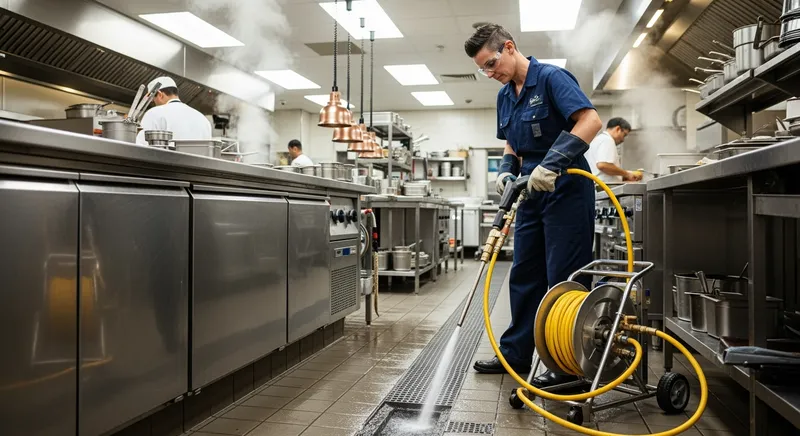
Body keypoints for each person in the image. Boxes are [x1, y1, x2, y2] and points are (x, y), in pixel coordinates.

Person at [465, 24, 603, 388]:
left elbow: (590, 121)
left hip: (567, 189)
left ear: (509, 47)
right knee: (524, 274)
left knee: (564, 275)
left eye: (492, 63)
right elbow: (512, 143)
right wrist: (508, 171)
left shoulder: (552, 78)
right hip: (530, 194)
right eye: (484, 69)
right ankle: (516, 354)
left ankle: (567, 363)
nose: (490, 73)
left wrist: (552, 163)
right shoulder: (504, 96)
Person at [135, 76, 212, 146]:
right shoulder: (203, 119)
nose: (154, 103)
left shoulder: (154, 113)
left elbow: (141, 148)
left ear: (159, 94)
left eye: (153, 100)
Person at [584, 118, 642, 183]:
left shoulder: (599, 139)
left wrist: (624, 176)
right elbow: (603, 165)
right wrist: (627, 174)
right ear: (618, 129)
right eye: (624, 135)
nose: (623, 140)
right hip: (602, 188)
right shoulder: (607, 140)